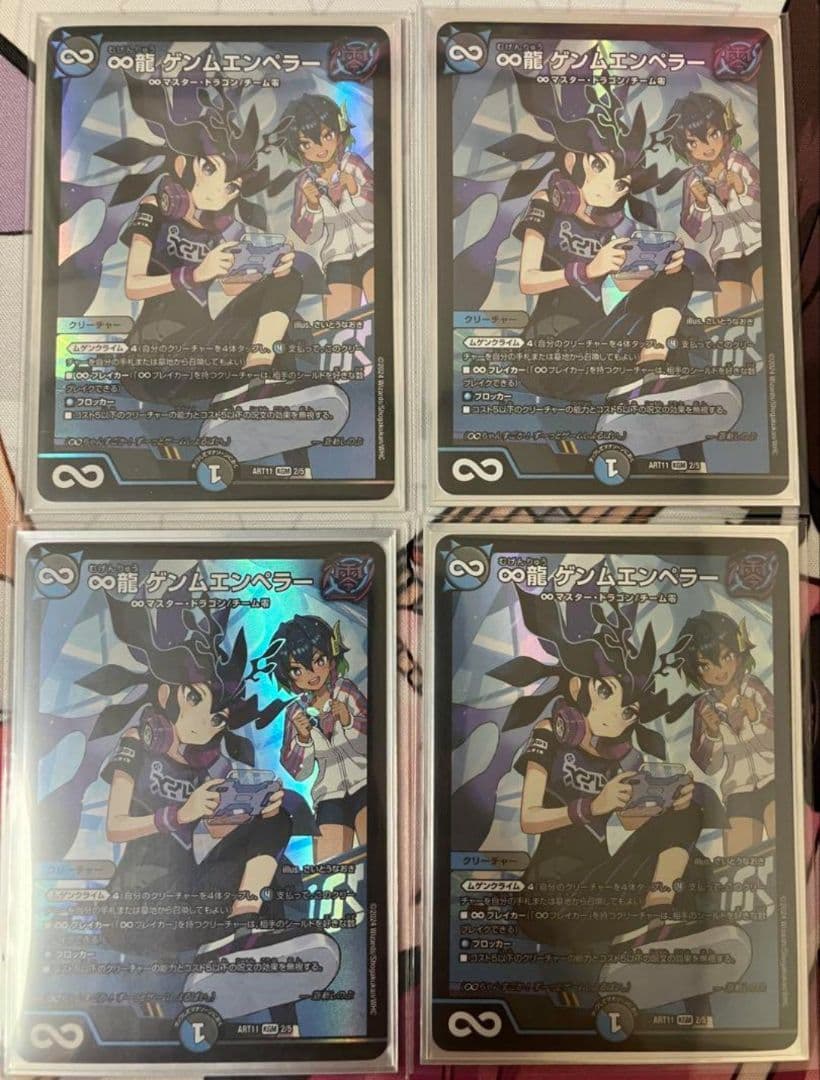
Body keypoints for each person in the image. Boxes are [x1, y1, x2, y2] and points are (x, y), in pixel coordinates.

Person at [83, 591, 339, 1018]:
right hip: (138, 907)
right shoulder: (137, 743)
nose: (207, 721)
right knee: (270, 873)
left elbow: (215, 833)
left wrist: (253, 811)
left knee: (277, 822)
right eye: (195, 700)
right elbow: (116, 825)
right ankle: (234, 947)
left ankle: (243, 934)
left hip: (190, 899)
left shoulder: (210, 764)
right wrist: (178, 814)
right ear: (168, 695)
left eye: (218, 716)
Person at [97, 74, 348, 462]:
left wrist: (266, 272)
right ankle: (250, 391)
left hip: (203, 352)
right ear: (190, 166)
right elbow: (134, 285)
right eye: (217, 173)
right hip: (153, 360)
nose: (227, 190)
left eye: (234, 186)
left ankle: (266, 415)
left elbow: (233, 292)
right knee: (275, 331)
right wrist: (195, 274)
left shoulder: (224, 229)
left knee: (285, 289)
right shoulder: (155, 209)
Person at [491, 587, 702, 951]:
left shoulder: (624, 757)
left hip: (600, 888)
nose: (614, 715)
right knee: (685, 867)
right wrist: (591, 807)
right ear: (579, 686)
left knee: (689, 830)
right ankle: (647, 932)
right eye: (606, 692)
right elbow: (529, 818)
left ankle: (655, 918)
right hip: (548, 898)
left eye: (628, 711)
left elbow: (631, 823)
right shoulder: (550, 734)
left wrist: (668, 804)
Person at [265, 614, 368, 861]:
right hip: (328, 796)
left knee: (376, 857)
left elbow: (372, 743)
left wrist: (348, 721)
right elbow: (299, 772)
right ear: (289, 676)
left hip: (365, 784)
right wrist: (303, 738)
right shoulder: (295, 712)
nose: (311, 674)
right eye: (298, 669)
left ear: (331, 659)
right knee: (329, 870)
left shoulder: (345, 690)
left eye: (318, 660)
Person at [671, 610, 774, 855]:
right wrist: (712, 734)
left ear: (738, 654)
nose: (719, 670)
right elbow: (709, 766)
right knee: (738, 861)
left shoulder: (753, 687)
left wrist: (756, 717)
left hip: (774, 780)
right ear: (697, 671)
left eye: (725, 657)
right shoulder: (703, 707)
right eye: (706, 665)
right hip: (737, 792)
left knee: (783, 848)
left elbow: (781, 739)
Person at [658, 92, 762, 316]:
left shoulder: (738, 162)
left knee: (770, 307)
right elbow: (699, 234)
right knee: (728, 322)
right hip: (726, 257)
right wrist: (701, 205)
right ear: (685, 148)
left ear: (724, 131)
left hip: (759, 246)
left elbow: (765, 211)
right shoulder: (692, 181)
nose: (707, 147)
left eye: (713, 134)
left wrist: (743, 190)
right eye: (694, 142)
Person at [273, 94, 375, 318]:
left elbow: (380, 211)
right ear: (298, 149)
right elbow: (308, 236)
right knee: (338, 325)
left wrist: (356, 191)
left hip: (372, 249)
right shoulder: (305, 183)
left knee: (383, 311)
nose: (320, 148)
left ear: (339, 133)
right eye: (307, 143)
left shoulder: (353, 164)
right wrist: (312, 206)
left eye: (326, 135)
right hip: (337, 259)